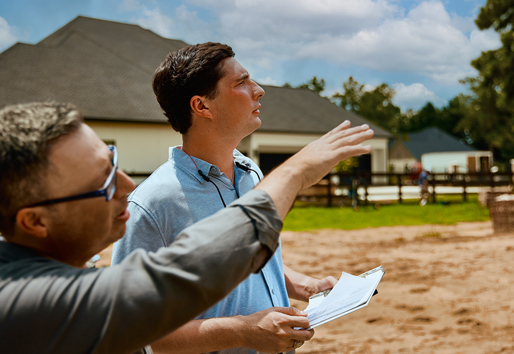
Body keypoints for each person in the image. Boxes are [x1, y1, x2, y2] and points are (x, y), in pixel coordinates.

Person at [0, 101, 374, 354]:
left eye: (113, 161)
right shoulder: (28, 302)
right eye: (104, 181)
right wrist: (295, 172)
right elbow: (186, 272)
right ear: (35, 221)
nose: (128, 185)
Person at [111, 42, 373, 354]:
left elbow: (247, 259)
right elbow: (132, 332)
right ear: (202, 107)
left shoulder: (251, 173)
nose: (259, 90)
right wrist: (241, 332)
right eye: (241, 82)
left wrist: (305, 286)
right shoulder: (151, 204)